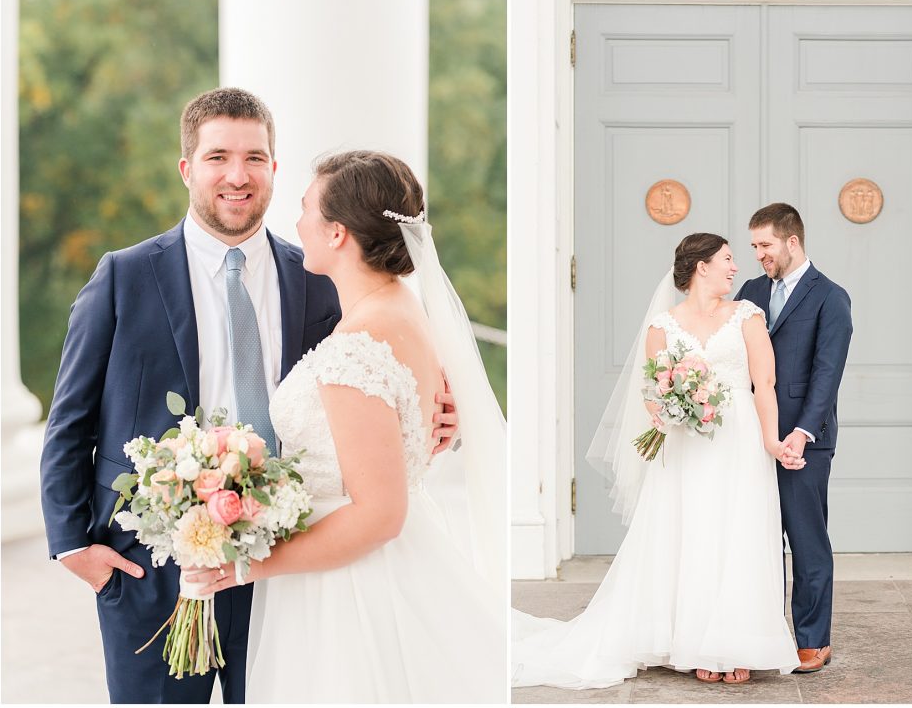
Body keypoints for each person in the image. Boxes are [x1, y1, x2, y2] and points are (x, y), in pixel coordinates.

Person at [39, 89, 458, 703]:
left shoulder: (322, 279)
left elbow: (379, 392)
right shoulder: (124, 277)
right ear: (188, 168)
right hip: (151, 570)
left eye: (255, 158)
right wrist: (75, 546)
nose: (238, 176)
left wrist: (438, 422)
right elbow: (69, 420)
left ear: (274, 169)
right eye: (218, 158)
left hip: (289, 569)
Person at [186, 151, 506, 703]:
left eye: (307, 208)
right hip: (399, 560)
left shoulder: (353, 353)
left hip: (348, 587)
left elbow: (379, 514)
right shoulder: (404, 309)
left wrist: (249, 566)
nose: (298, 221)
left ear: (337, 233)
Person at [512, 233, 802, 688]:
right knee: (691, 532)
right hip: (686, 444)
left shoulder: (748, 316)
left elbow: (763, 385)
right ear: (701, 266)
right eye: (727, 260)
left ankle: (734, 642)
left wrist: (771, 440)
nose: (734, 268)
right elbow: (653, 394)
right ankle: (693, 642)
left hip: (739, 441)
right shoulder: (662, 327)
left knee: (737, 531)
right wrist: (674, 408)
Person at [734, 203, 853, 674]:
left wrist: (801, 434)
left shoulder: (831, 297)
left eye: (764, 245)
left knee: (806, 541)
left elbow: (827, 374)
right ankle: (761, 634)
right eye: (754, 247)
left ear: (792, 242)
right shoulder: (748, 292)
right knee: (757, 540)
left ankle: (812, 640)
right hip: (752, 438)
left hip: (806, 442)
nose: (758, 255)